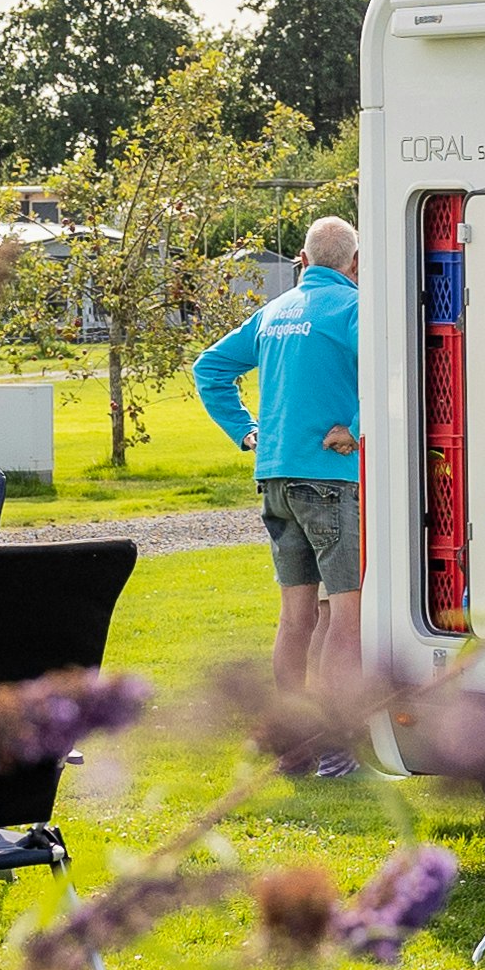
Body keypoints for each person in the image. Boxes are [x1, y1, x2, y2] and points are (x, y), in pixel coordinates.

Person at [194, 215, 368, 767]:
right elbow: (394, 370)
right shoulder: (353, 308)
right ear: (355, 263)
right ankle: (338, 747)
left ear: (305, 259)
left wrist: (245, 429)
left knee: (297, 617)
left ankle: (292, 747)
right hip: (330, 479)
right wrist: (357, 428)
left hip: (274, 477)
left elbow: (210, 368)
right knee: (347, 615)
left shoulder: (275, 311)